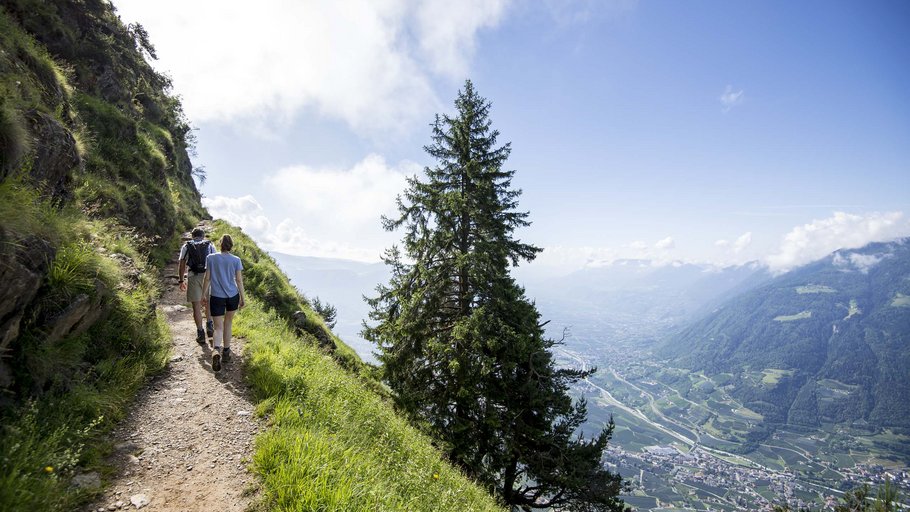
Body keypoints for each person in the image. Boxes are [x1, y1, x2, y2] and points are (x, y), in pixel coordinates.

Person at [201, 234, 245, 372]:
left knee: (218, 327)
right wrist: (242, 297)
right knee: (228, 323)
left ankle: (216, 351)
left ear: (220, 244)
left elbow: (207, 278)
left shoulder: (211, 258)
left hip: (216, 296)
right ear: (231, 245)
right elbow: (238, 280)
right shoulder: (236, 260)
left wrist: (203, 294)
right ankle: (226, 353)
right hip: (232, 295)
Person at [178, 227, 215, 344]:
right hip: (208, 277)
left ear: (192, 236)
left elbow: (182, 263)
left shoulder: (186, 246)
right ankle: (210, 324)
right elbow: (214, 262)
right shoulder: (210, 245)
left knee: (196, 306)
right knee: (208, 302)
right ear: (203, 236)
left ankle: (200, 333)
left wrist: (181, 280)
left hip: (193, 276)